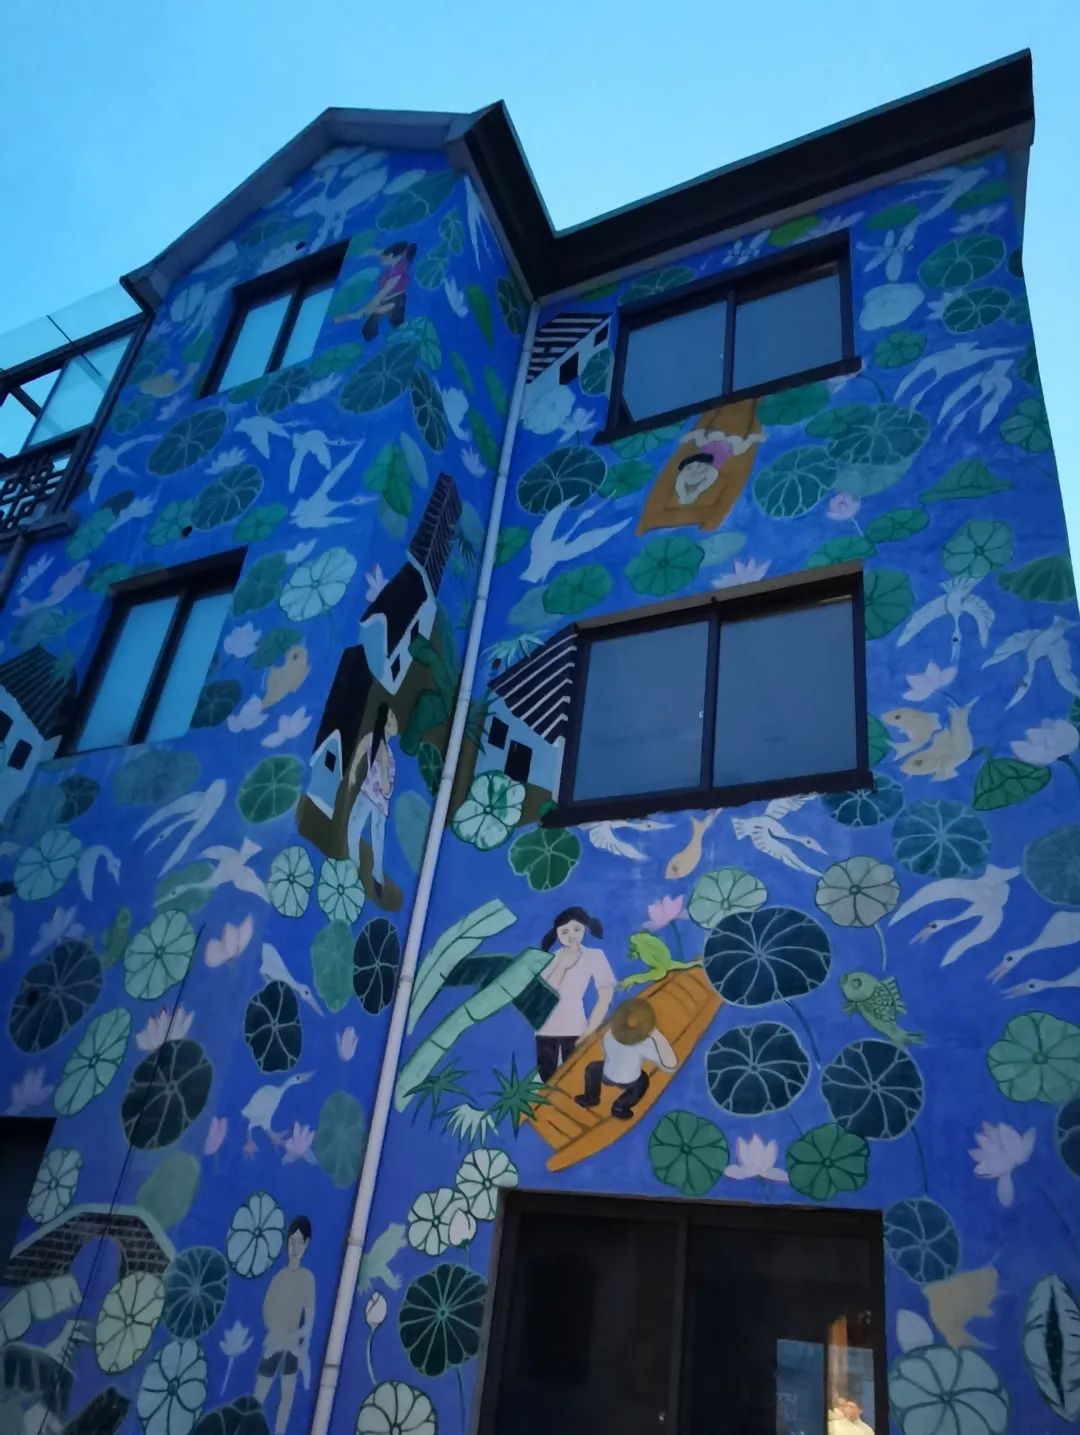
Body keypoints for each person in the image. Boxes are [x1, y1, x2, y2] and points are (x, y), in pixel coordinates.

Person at [534, 907, 615, 1080]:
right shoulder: (551, 959)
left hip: (576, 1027)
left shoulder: (594, 956)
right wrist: (561, 966)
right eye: (564, 931)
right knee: (546, 1080)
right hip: (545, 1029)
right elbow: (544, 995)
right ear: (557, 934)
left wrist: (591, 1029)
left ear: (585, 928)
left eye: (576, 929)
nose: (571, 935)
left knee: (574, 1079)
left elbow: (606, 995)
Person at [254, 1216, 316, 1435]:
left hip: (292, 1346)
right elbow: (266, 1309)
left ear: (306, 1244)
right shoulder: (279, 1278)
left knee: (287, 1396)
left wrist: (303, 1346)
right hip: (274, 1342)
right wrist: (277, 1330)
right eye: (291, 1242)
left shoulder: (307, 1278)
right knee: (260, 1394)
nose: (294, 1247)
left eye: (299, 1242)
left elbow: (310, 1316)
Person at [575, 997, 676, 1120]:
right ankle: (620, 1106)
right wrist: (656, 1035)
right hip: (630, 1081)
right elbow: (670, 1066)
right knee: (643, 1080)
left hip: (607, 1075)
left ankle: (591, 1097)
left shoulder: (609, 1034)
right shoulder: (645, 1045)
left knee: (592, 1068)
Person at [347, 704, 398, 898]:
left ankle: (376, 875)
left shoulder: (389, 756)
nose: (394, 721)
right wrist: (353, 772)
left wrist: (383, 769)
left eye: (393, 717)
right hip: (368, 795)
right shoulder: (375, 741)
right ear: (384, 724)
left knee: (376, 840)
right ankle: (355, 867)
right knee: (354, 829)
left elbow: (387, 790)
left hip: (379, 803)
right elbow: (361, 750)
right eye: (390, 717)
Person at [359, 242, 417, 339]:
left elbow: (383, 292)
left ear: (393, 257)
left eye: (384, 258)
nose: (381, 260)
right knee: (368, 329)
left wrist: (370, 306)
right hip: (386, 298)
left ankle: (406, 330)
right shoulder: (393, 258)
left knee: (396, 322)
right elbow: (383, 253)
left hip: (397, 300)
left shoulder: (398, 272)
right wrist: (368, 251)